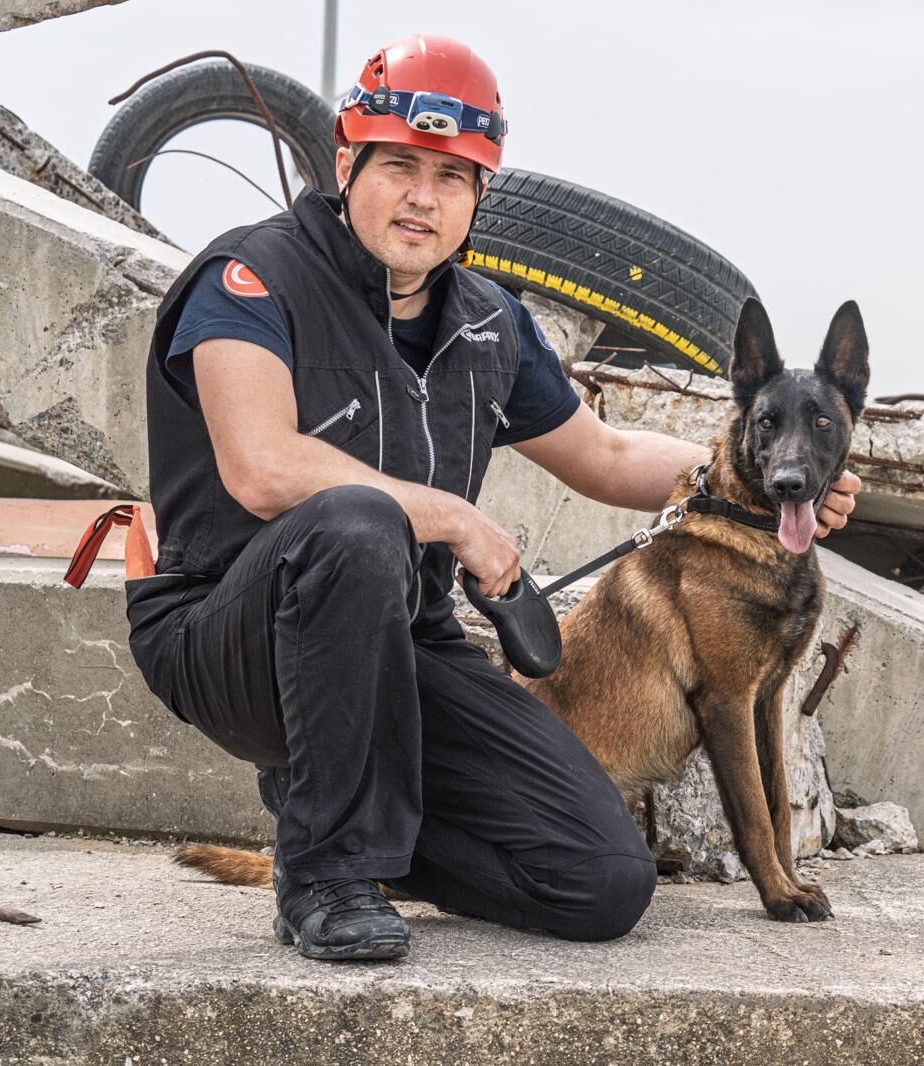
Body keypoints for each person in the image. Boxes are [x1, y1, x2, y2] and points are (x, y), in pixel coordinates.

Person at [124, 33, 860, 961]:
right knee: (355, 523)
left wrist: (756, 477)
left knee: (602, 882)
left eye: (453, 176)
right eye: (399, 166)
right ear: (347, 165)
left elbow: (606, 455)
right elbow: (262, 467)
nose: (423, 198)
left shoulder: (487, 322)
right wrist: (452, 517)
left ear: (480, 195)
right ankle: (325, 871)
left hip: (402, 641)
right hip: (231, 636)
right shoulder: (252, 277)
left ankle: (373, 829)